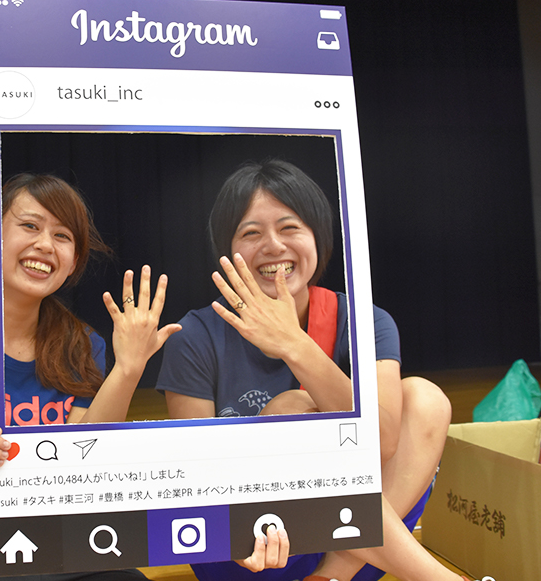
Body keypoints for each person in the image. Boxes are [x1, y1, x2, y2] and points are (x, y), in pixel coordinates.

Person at [156, 159, 468, 581]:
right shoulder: (194, 335)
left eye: (290, 228)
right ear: (227, 251)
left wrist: (295, 345)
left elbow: (381, 441)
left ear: (318, 237)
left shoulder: (365, 322)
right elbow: (197, 474)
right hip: (250, 549)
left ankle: (331, 575)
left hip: (350, 547)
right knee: (293, 408)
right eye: (251, 233)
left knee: (425, 399)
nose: (273, 246)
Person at [0, 173, 181, 581]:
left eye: (63, 236)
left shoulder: (83, 344)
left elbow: (84, 461)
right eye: (29, 225)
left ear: (73, 262)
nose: (45, 244)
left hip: (68, 539)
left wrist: (128, 369)